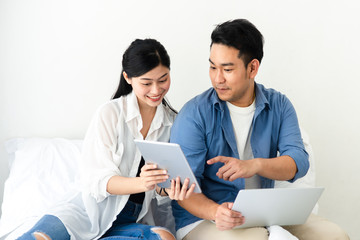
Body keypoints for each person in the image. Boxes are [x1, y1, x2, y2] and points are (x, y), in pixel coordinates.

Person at [170, 19, 349, 240]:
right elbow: (182, 189)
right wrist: (216, 212)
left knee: (334, 235)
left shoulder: (279, 105)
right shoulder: (194, 114)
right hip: (204, 218)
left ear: (252, 68)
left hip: (264, 213)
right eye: (212, 67)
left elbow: (298, 163)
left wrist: (253, 166)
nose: (218, 78)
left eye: (227, 69)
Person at [17, 38, 195, 240]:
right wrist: (142, 183)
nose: (156, 90)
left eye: (163, 80)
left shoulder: (174, 123)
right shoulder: (110, 113)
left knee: (164, 237)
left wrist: (169, 190)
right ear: (128, 78)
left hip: (130, 220)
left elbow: (161, 192)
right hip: (84, 214)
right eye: (146, 83)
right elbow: (99, 181)